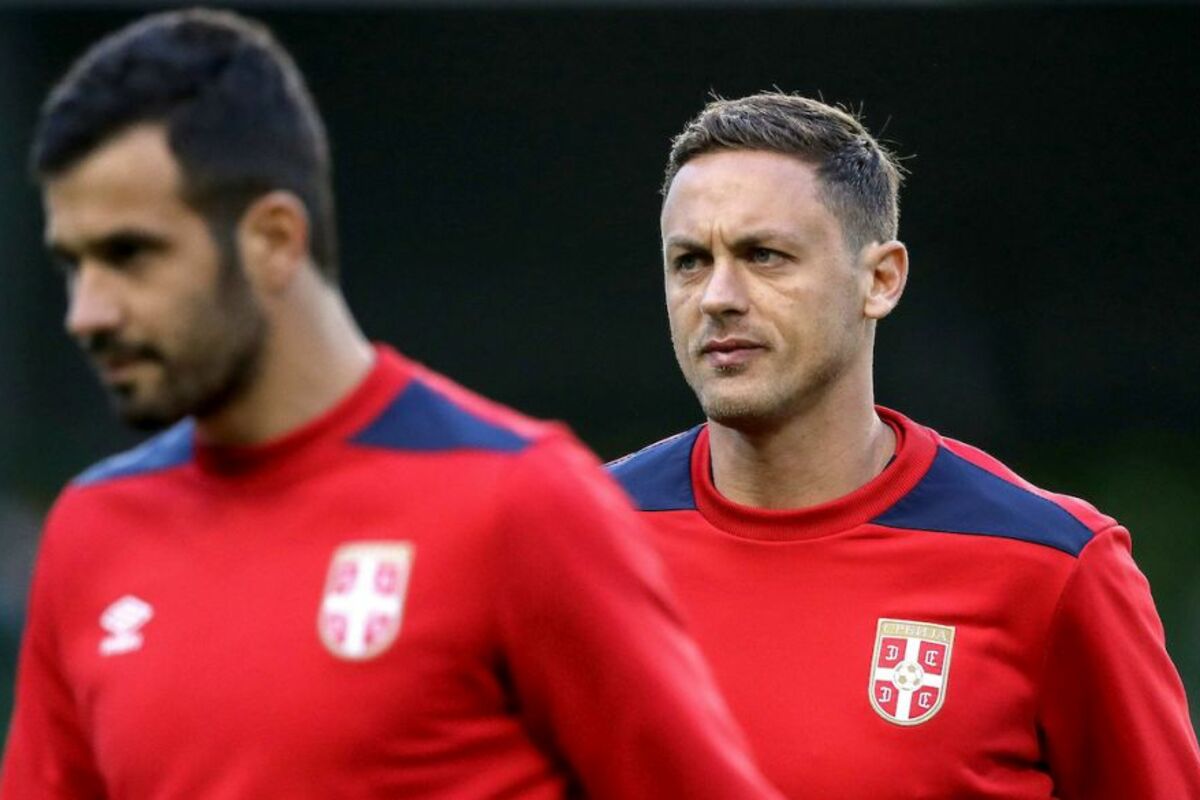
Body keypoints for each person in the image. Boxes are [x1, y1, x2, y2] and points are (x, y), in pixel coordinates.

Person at [0, 11, 785, 799]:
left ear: (273, 238)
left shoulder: (516, 501)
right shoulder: (92, 531)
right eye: (73, 264)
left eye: (130, 255)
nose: (87, 312)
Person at [608, 91, 1200, 798]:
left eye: (764, 255)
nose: (717, 296)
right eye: (690, 261)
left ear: (881, 280)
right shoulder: (579, 538)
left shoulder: (1050, 563)